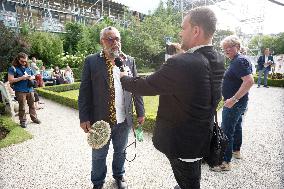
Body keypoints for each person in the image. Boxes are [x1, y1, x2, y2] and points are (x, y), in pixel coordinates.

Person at [120, 7, 225, 189]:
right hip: (201, 136)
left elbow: (146, 86)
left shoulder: (181, 63)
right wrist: (184, 56)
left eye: (183, 27)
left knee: (189, 183)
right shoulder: (218, 58)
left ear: (196, 30)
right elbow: (200, 77)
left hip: (182, 141)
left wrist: (124, 78)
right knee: (190, 178)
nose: (179, 32)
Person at [78, 26, 145, 189]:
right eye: (110, 39)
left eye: (117, 39)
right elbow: (84, 91)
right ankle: (98, 182)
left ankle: (119, 176)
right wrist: (84, 117)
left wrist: (141, 112)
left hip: (124, 119)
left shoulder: (129, 60)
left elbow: (136, 88)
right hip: (99, 119)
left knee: (121, 151)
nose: (115, 42)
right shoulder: (91, 61)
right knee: (99, 154)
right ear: (102, 42)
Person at [211, 35, 254, 172]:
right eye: (225, 48)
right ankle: (236, 151)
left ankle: (225, 162)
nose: (227, 50)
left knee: (226, 131)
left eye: (230, 47)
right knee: (237, 126)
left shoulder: (239, 61)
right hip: (239, 102)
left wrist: (233, 99)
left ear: (238, 47)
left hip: (234, 103)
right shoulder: (238, 60)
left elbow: (249, 81)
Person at [8, 52, 41, 128]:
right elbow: (10, 80)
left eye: (25, 61)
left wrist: (30, 77)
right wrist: (22, 78)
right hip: (20, 90)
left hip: (30, 89)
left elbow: (33, 76)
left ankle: (34, 118)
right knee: (22, 106)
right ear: (18, 59)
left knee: (32, 105)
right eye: (22, 61)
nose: (24, 62)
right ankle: (23, 121)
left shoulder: (28, 67)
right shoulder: (13, 68)